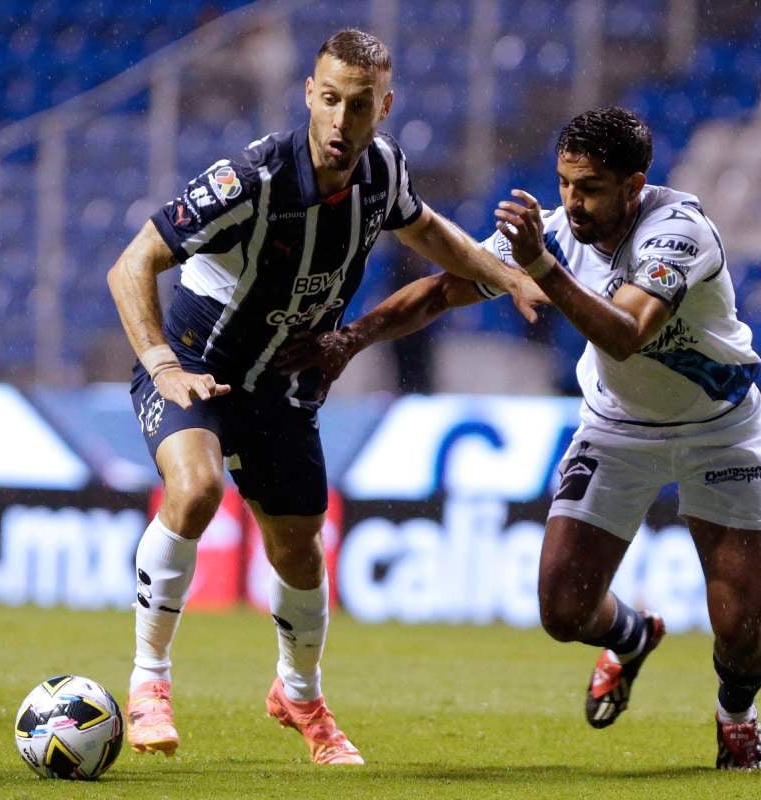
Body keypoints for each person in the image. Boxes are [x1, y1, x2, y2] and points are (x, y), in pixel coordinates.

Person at [281, 107, 761, 770]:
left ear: (634, 186)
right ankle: (632, 637)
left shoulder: (679, 234)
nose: (573, 201)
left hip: (719, 431)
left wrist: (541, 268)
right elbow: (441, 291)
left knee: (742, 632)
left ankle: (736, 712)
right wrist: (351, 339)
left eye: (591, 187)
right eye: (566, 183)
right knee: (563, 610)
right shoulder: (554, 232)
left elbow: (626, 334)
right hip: (618, 427)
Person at [106, 29, 540, 766]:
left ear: (385, 107)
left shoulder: (384, 174)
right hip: (194, 367)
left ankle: (298, 694)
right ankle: (150, 681)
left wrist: (512, 278)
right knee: (198, 486)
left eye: (360, 105)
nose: (342, 120)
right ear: (309, 93)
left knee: (301, 550)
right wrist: (158, 362)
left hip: (281, 384)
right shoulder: (250, 179)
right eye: (330, 99)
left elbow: (429, 231)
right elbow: (132, 262)